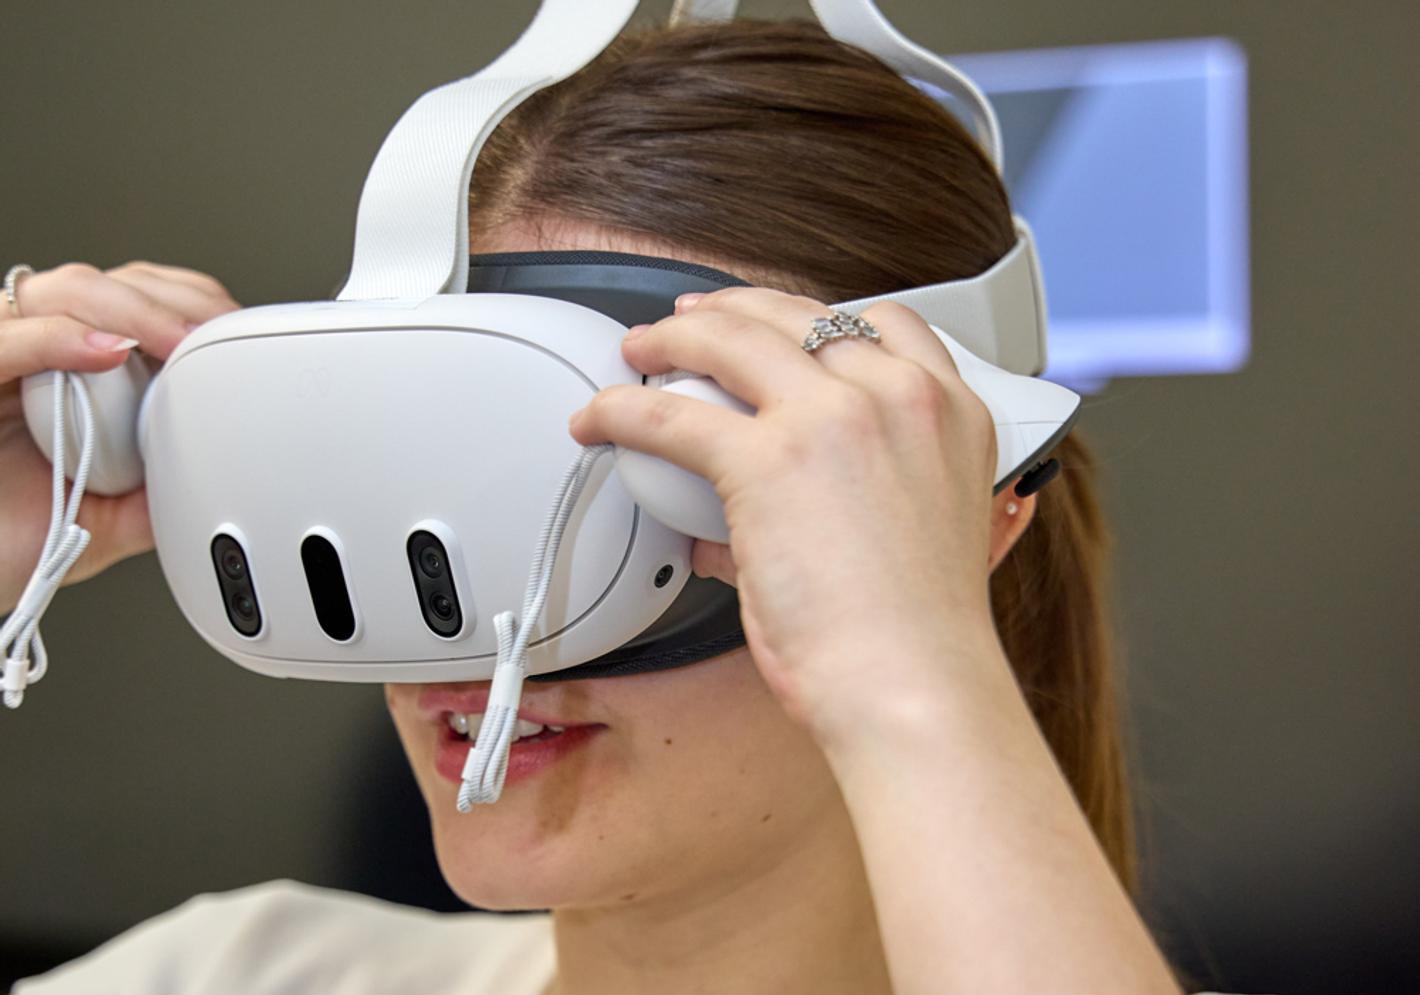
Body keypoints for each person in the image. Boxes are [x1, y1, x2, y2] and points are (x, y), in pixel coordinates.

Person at [5, 19, 1219, 995]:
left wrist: (915, 680)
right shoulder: (232, 973)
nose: (486, 634)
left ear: (966, 515)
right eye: (414, 467)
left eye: (650, 483)